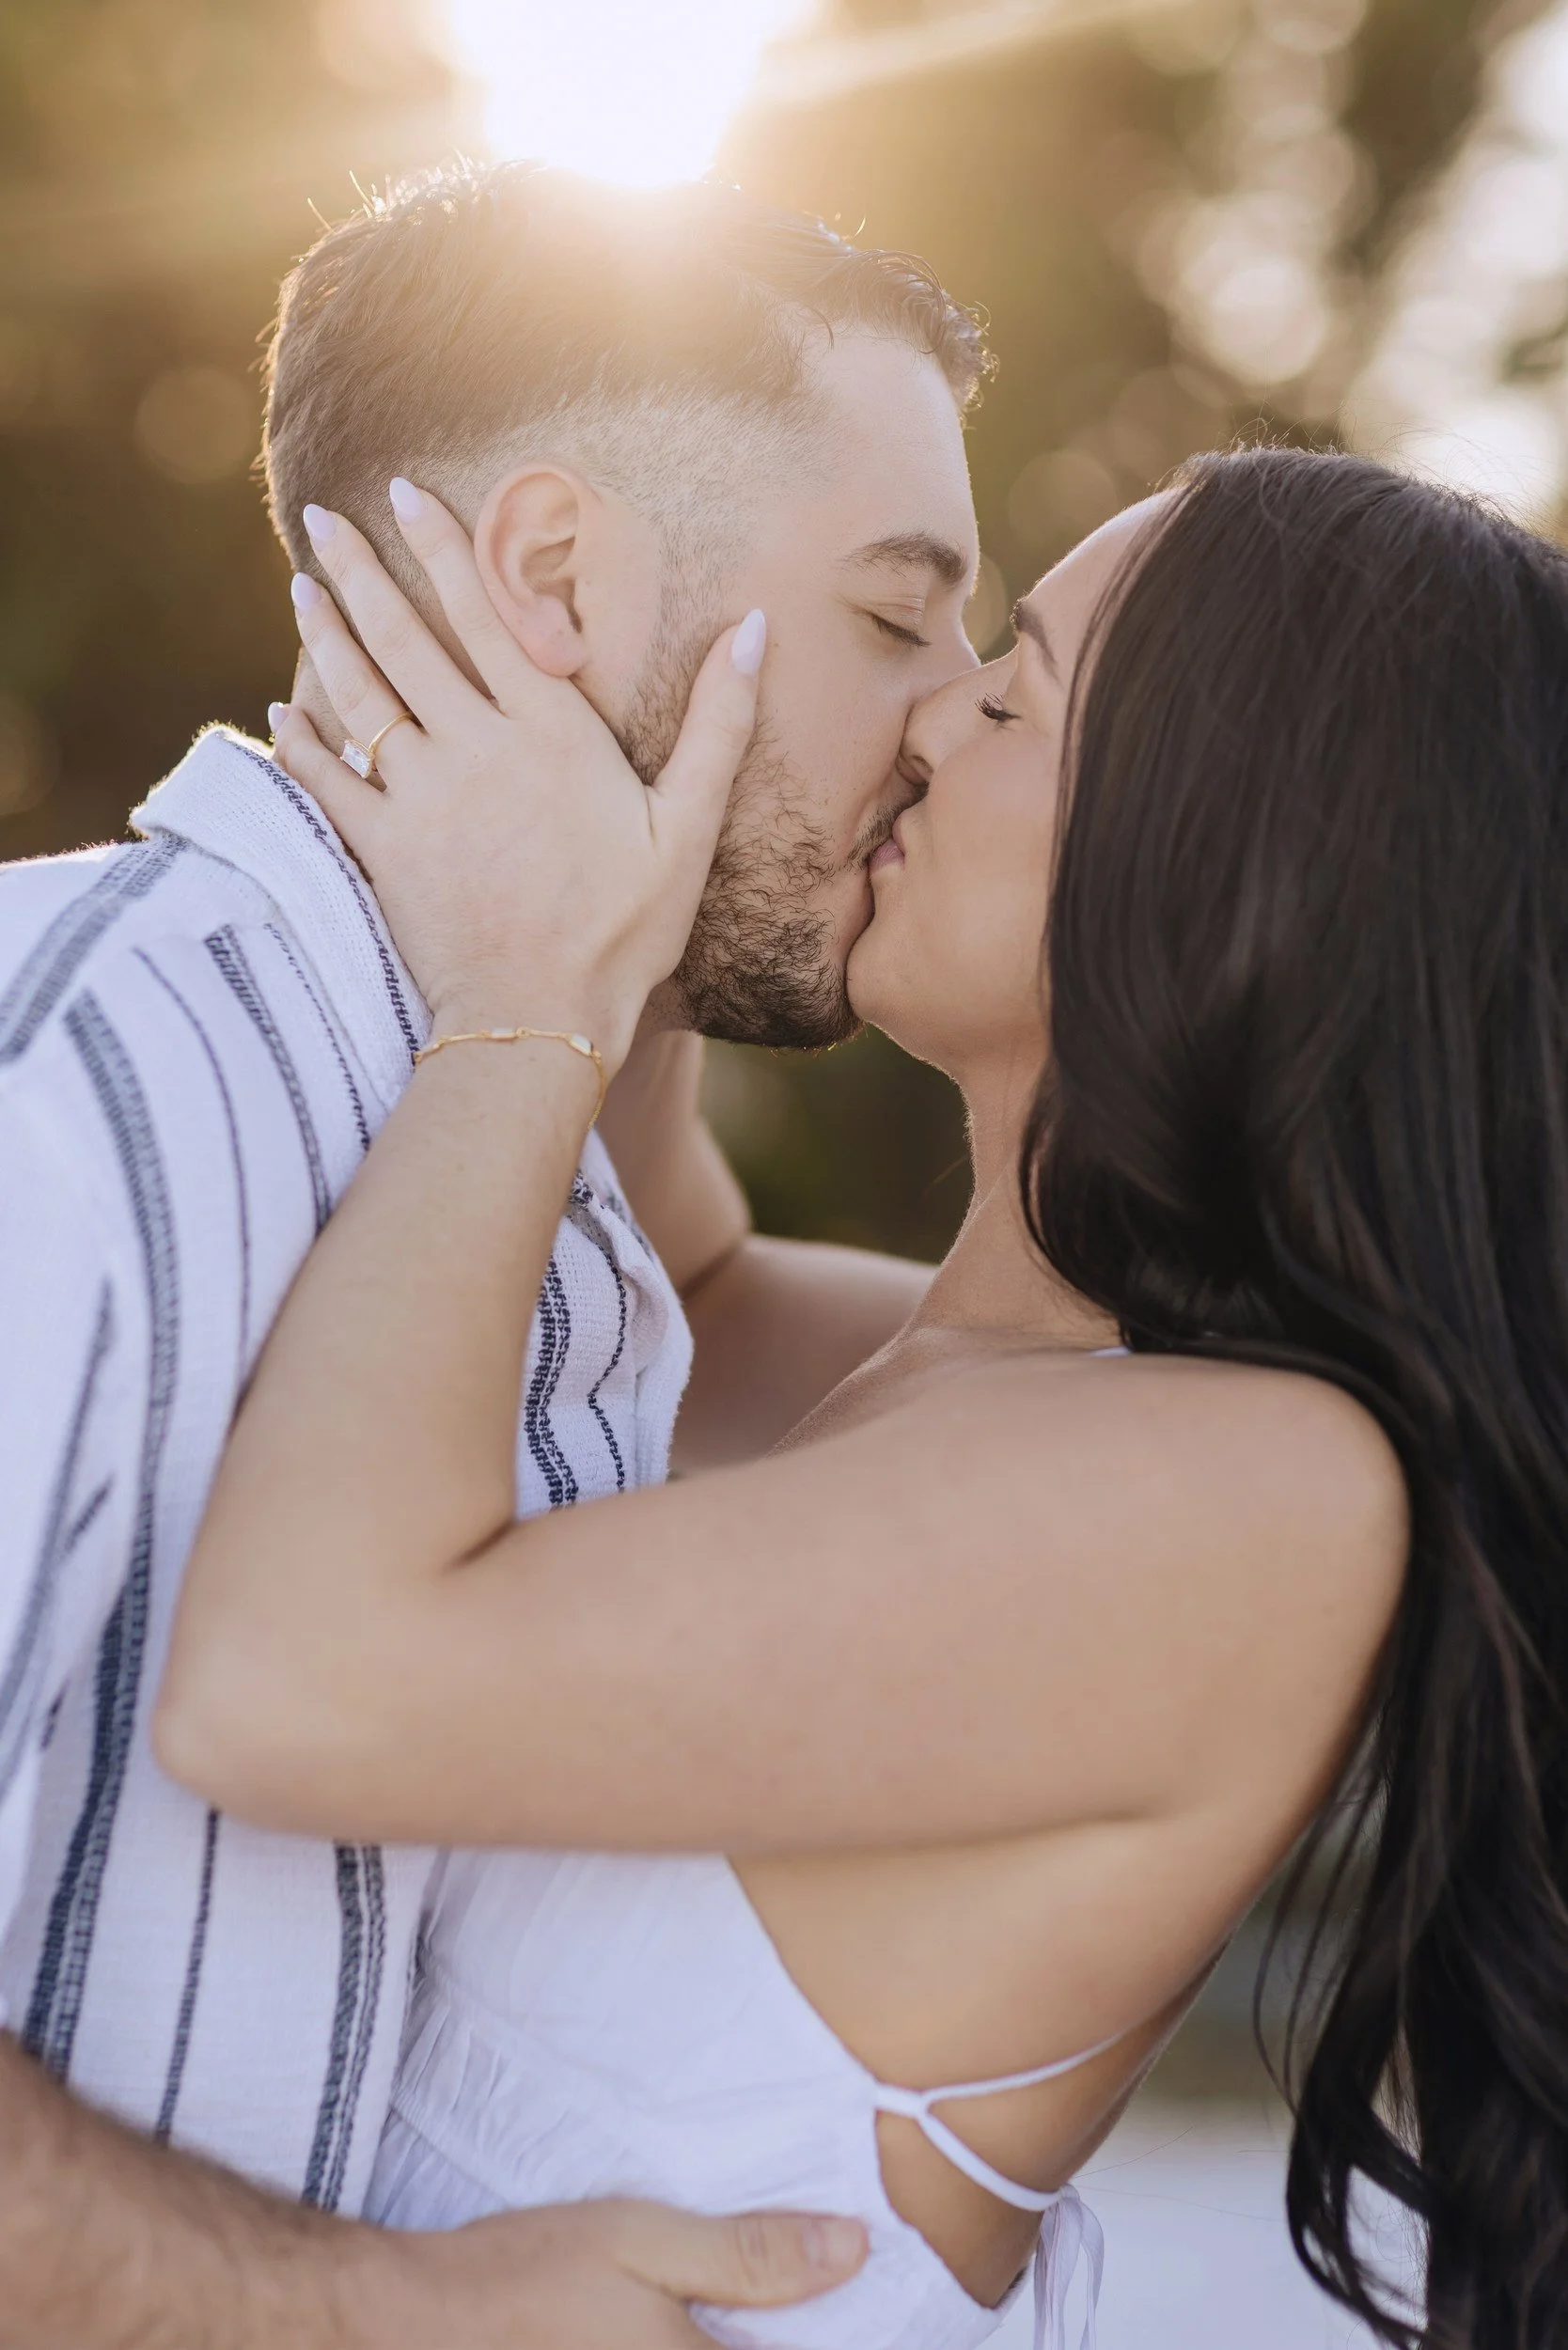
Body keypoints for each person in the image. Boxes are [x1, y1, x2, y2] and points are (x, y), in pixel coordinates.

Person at [162, 432, 1568, 2350]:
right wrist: (655, 771)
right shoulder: (939, 1369)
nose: (920, 719)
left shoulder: (1266, 1502)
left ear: (1231, 850)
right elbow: (660, 1282)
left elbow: (284, 1684)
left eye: (1012, 685)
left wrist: (532, 988)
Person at [0, 158, 996, 2345]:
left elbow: (793, 1330)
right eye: (894, 613)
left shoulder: (537, 1177)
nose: (948, 715)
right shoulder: (70, 1086)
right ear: (554, 569)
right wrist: (367, 2307)